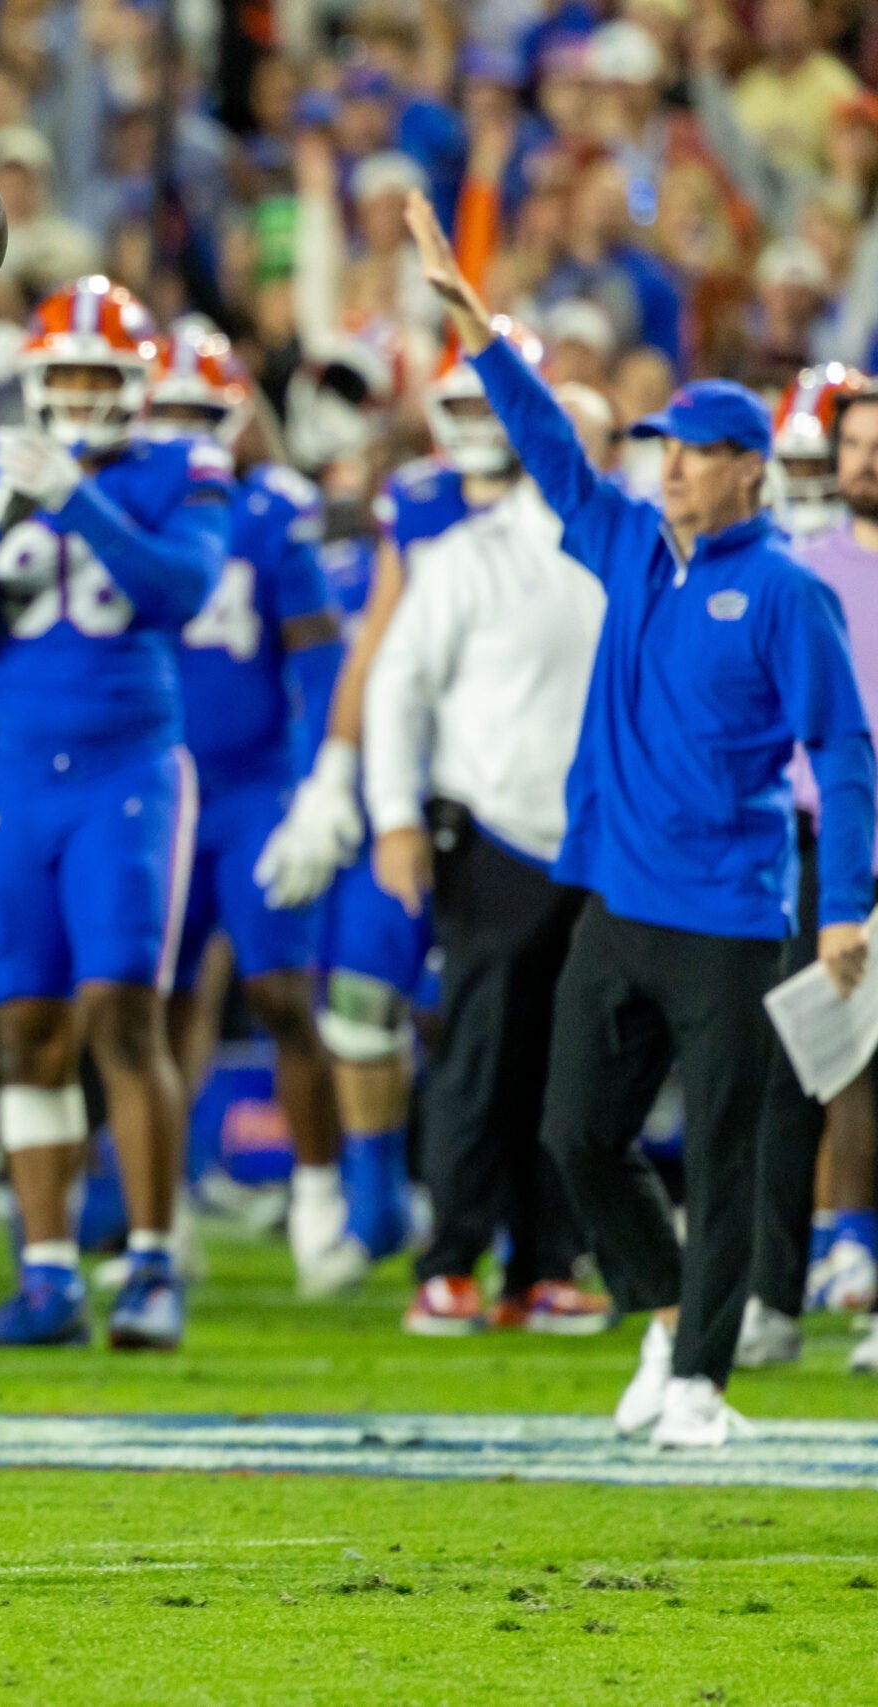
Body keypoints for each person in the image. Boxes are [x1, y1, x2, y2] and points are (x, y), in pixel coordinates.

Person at [409, 194, 873, 1450]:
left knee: (722, 1156)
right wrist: (478, 331)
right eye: (662, 443)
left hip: (729, 914)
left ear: (748, 469)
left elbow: (840, 747)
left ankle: (705, 1384)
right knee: (574, 1136)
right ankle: (666, 1314)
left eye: (693, 448)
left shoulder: (784, 594)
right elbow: (555, 457)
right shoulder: (627, 546)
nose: (666, 462)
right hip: (612, 899)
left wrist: (845, 909)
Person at [0, 277, 230, 1353]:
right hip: (17, 785)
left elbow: (179, 590)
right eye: (69, 375)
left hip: (126, 776)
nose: (84, 394)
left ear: (138, 387)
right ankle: (45, 1278)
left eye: (103, 376)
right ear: (37, 382)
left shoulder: (183, 467)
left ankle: (150, 1262)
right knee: (23, 1028)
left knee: (120, 1018)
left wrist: (77, 500)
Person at [361, 329, 615, 1338]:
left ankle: (545, 1263)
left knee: (576, 1063)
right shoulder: (463, 554)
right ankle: (450, 1261)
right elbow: (395, 687)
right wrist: (389, 815)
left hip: (600, 839)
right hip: (495, 830)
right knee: (477, 1057)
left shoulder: (629, 546)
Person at [256, 332, 516, 1290]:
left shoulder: (517, 504)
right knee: (360, 1001)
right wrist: (331, 773)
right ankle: (373, 1203)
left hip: (497, 783)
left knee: (483, 1018)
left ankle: (499, 1216)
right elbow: (364, 656)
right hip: (384, 783)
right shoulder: (361, 511)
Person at [144, 318, 352, 1298]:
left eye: (202, 411)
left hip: (256, 781)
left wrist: (320, 782)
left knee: (278, 992)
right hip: (159, 777)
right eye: (170, 410)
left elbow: (317, 655)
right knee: (158, 1001)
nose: (186, 430)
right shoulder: (129, 499)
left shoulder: (272, 511)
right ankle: (163, 1210)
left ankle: (317, 1197)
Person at [742, 375, 878, 1377]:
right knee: (793, 1062)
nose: (866, 461)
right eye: (856, 445)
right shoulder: (797, 570)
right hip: (806, 840)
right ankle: (772, 1295)